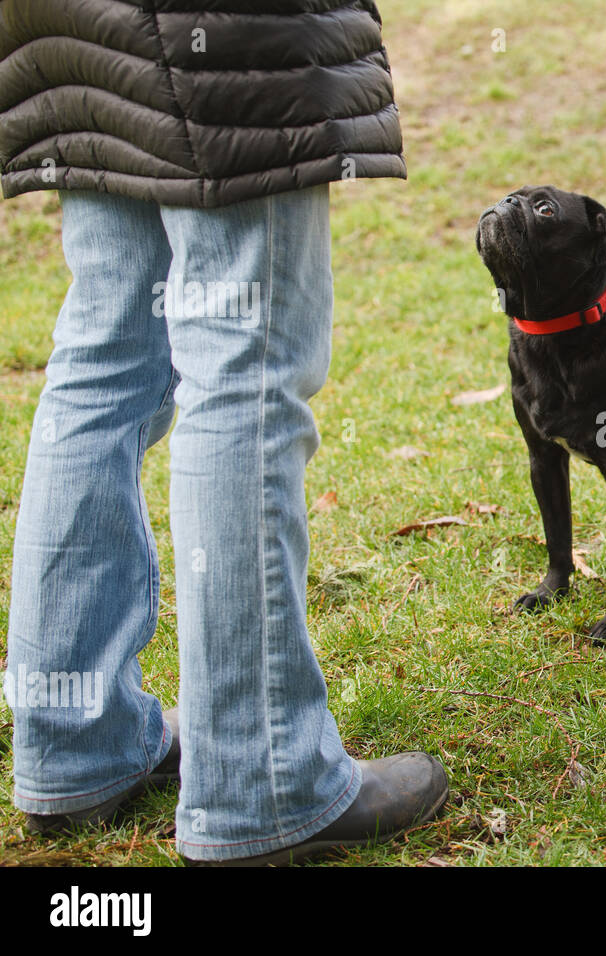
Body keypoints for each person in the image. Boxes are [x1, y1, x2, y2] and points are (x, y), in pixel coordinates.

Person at [0, 0, 446, 865]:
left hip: (70, 26)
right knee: (244, 364)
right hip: (214, 39)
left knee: (105, 353)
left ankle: (73, 739)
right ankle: (261, 780)